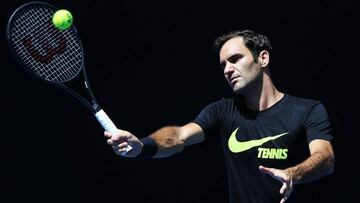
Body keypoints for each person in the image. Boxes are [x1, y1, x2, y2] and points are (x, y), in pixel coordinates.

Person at [104, 30, 335, 203]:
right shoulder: (224, 111)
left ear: (263, 58)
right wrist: (142, 145)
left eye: (235, 59)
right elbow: (179, 135)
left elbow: (325, 158)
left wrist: (293, 173)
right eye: (223, 64)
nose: (227, 70)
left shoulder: (308, 110)